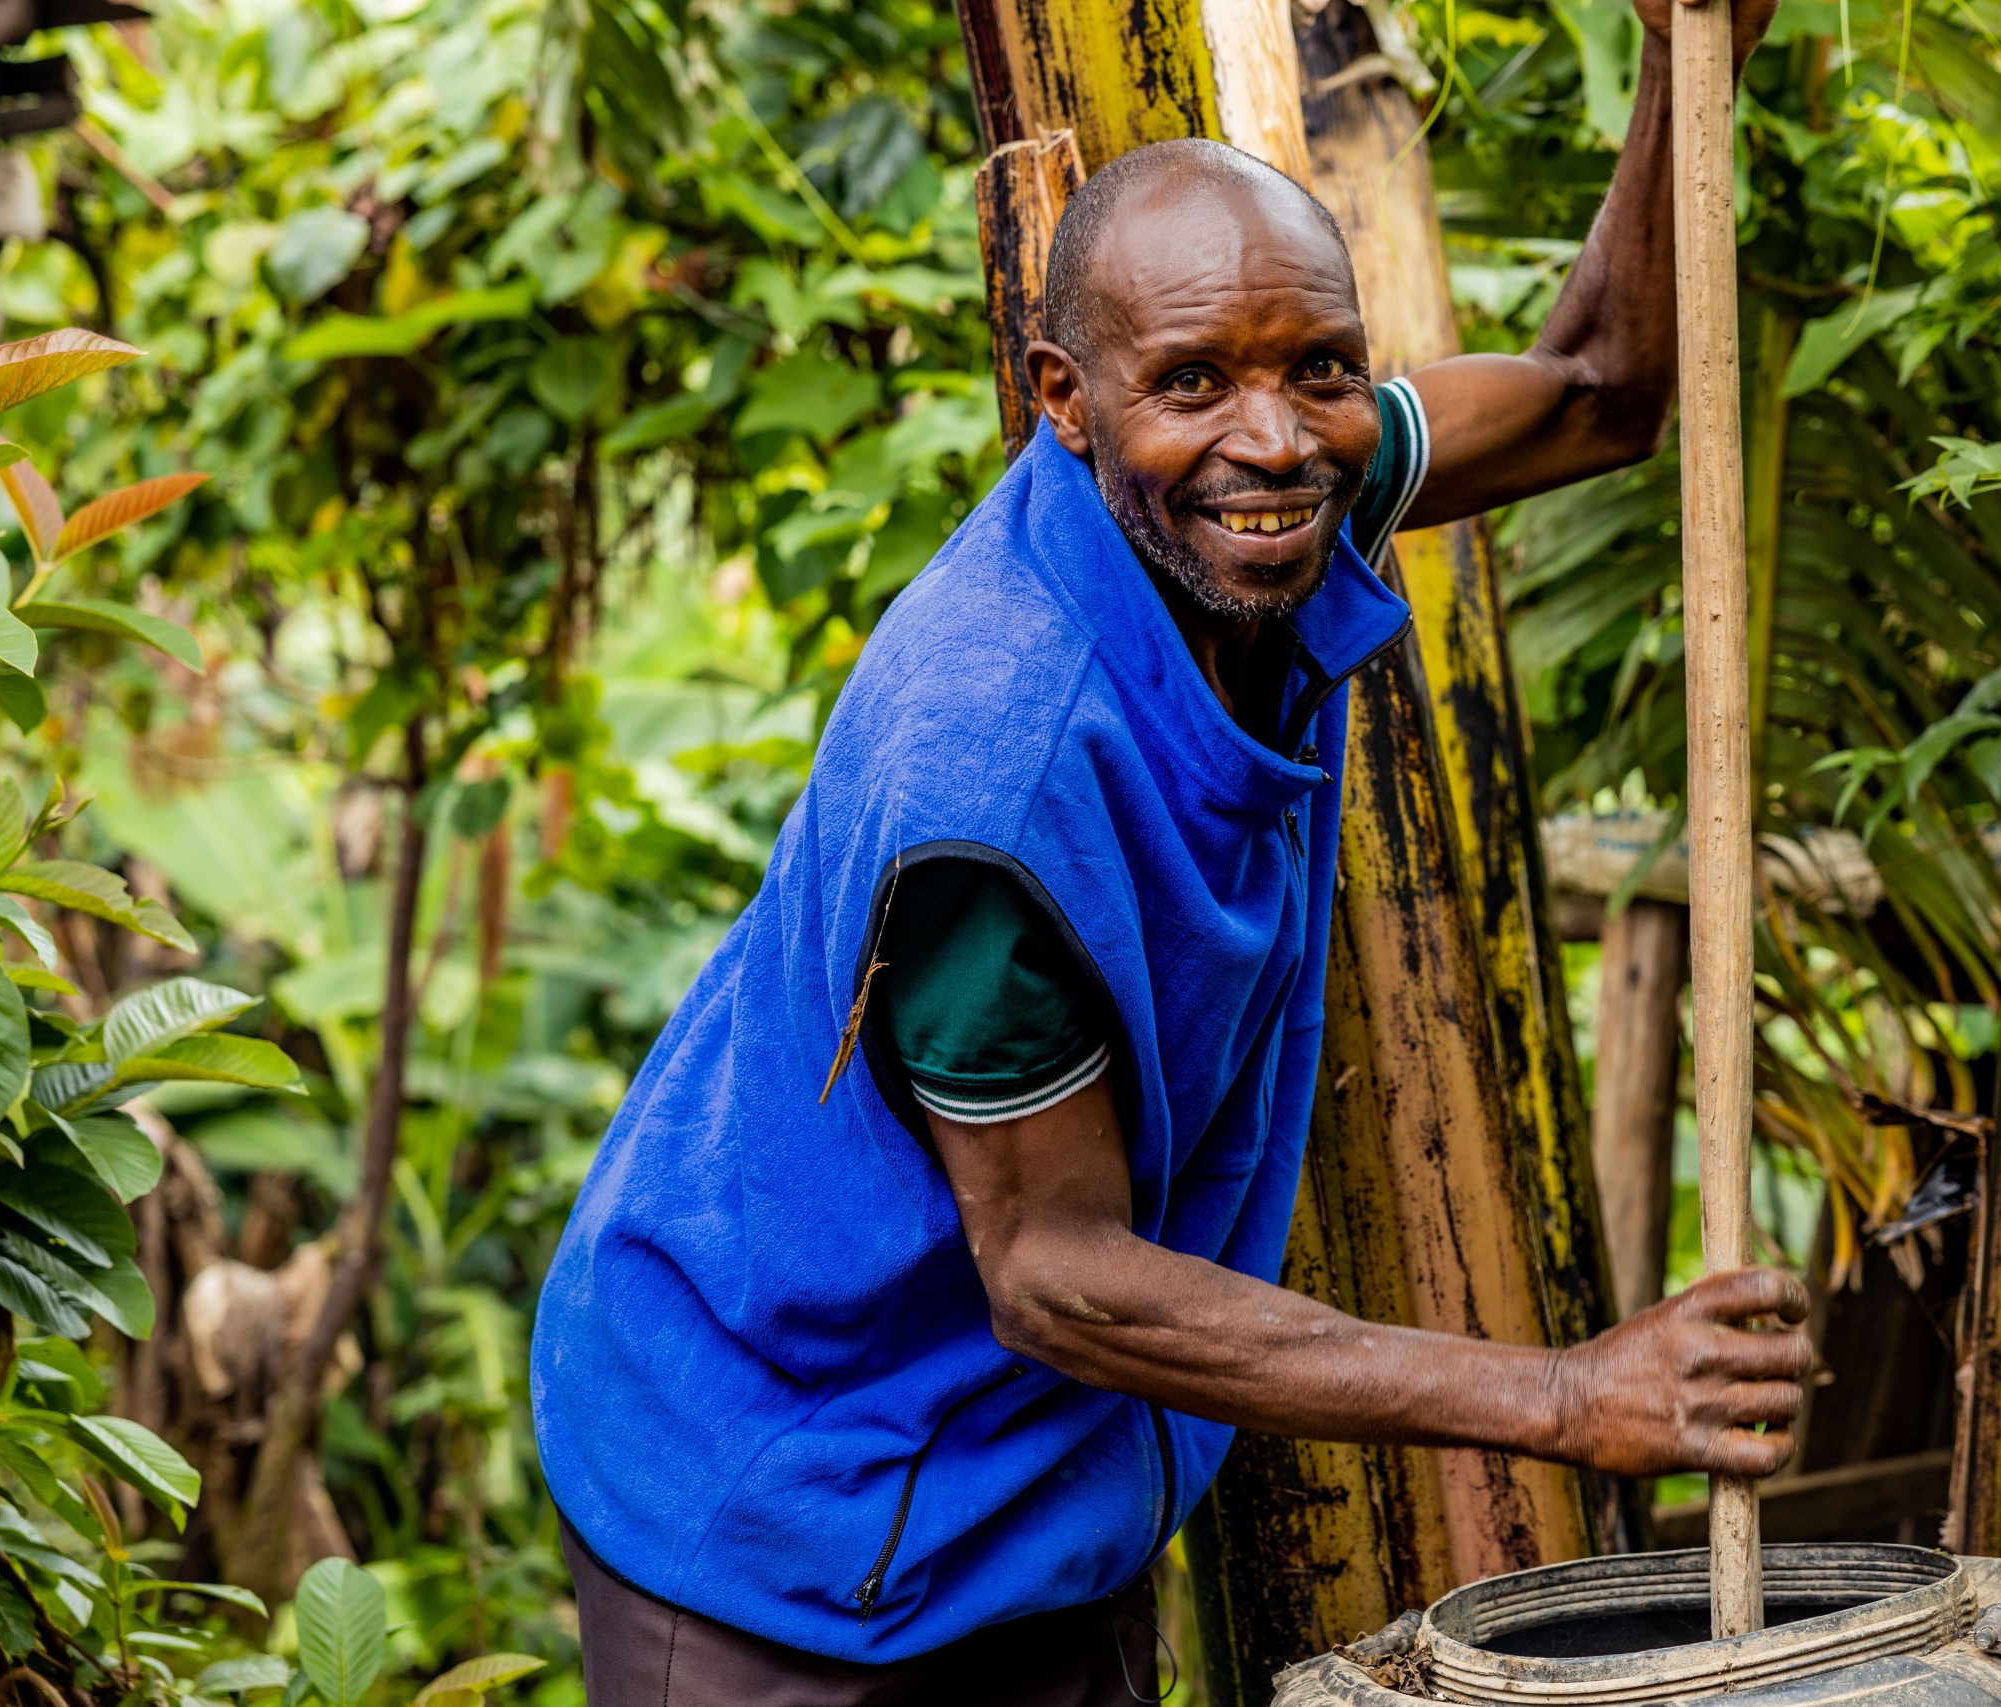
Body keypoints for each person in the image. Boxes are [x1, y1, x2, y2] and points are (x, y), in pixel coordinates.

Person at [532, 0, 1804, 1699]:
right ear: (1065, 395)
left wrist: (1678, 57)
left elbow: (1600, 390)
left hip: (1032, 1490)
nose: (1273, 442)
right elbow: (1056, 1277)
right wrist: (1568, 1398)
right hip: (783, 1499)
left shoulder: (1270, 480)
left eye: (1321, 372)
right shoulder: (992, 786)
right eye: (1194, 382)